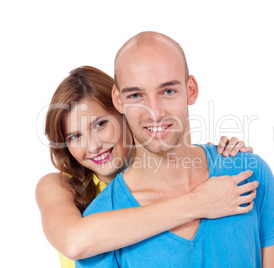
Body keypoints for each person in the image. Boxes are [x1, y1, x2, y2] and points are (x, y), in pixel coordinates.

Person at [76, 32, 274, 268]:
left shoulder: (249, 174)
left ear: (191, 90)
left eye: (168, 91)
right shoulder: (100, 223)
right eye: (136, 95)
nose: (155, 111)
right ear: (118, 100)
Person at [36, 66, 257, 268]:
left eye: (101, 124)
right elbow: (75, 241)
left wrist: (221, 160)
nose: (93, 146)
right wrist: (199, 202)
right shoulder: (58, 186)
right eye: (75, 136)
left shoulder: (175, 172)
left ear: (125, 112)